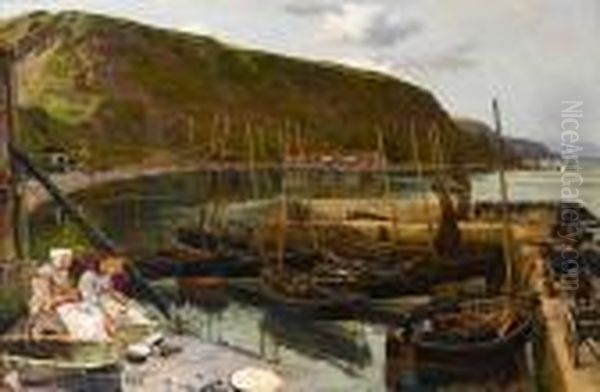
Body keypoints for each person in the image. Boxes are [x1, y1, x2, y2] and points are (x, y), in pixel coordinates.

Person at [28, 248, 79, 337]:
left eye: (69, 258)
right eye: (67, 258)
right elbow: (48, 301)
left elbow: (68, 291)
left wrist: (71, 295)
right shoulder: (44, 273)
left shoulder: (63, 273)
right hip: (45, 310)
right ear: (58, 259)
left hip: (61, 306)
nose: (70, 261)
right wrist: (69, 297)